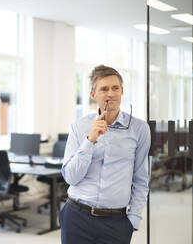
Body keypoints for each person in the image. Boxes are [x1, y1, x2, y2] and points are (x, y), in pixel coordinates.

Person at [60, 65, 151, 244]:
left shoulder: (140, 129)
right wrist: (90, 140)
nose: (111, 94)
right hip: (77, 216)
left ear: (122, 91)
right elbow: (70, 177)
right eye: (104, 89)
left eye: (115, 88)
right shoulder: (79, 127)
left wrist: (133, 220)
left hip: (116, 223)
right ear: (93, 95)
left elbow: (141, 179)